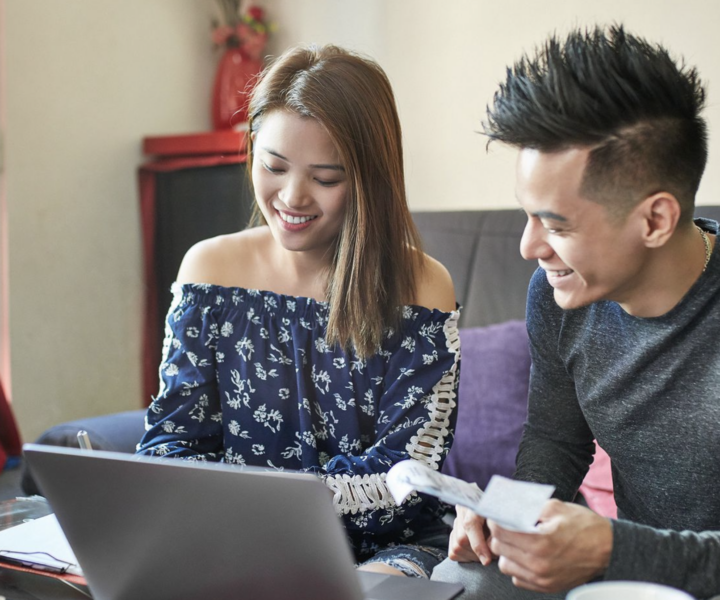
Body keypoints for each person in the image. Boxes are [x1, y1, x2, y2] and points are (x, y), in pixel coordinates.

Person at [136, 44, 460, 580]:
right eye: (274, 166)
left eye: (326, 178)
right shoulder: (209, 269)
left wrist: (261, 506)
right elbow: (174, 440)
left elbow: (407, 471)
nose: (292, 197)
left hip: (385, 552)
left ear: (369, 180)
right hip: (232, 541)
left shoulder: (422, 284)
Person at [432, 25, 720, 599]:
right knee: (464, 580)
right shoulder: (558, 295)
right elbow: (555, 443)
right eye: (529, 215)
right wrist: (503, 515)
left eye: (557, 225)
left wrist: (613, 547)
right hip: (630, 575)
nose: (530, 248)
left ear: (656, 220)